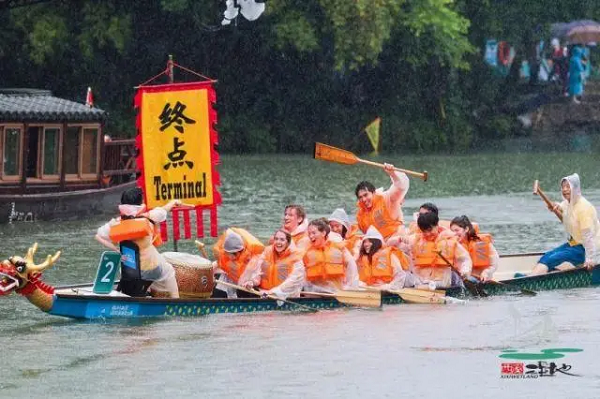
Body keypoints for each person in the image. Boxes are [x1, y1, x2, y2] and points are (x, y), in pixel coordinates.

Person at [95, 187, 184, 298]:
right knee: (169, 270)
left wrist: (117, 251)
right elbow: (164, 209)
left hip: (128, 271)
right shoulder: (150, 217)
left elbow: (98, 236)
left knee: (147, 268)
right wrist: (174, 202)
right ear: (140, 202)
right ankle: (176, 301)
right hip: (151, 269)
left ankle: (146, 292)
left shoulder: (115, 223)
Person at [528, 174, 600, 276]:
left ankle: (529, 279)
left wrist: (590, 259)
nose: (564, 189)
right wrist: (555, 206)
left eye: (568, 187)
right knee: (547, 256)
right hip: (574, 244)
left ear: (575, 188)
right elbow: (562, 209)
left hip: (585, 249)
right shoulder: (568, 203)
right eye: (563, 187)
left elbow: (588, 237)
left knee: (552, 259)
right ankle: (531, 276)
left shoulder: (584, 208)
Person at [411, 212, 472, 289]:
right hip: (422, 280)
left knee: (454, 277)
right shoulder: (416, 240)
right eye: (424, 231)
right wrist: (395, 240)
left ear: (437, 225)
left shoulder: (449, 240)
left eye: (430, 230)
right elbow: (402, 244)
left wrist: (465, 271)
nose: (427, 234)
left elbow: (465, 259)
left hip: (442, 281)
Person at [239, 229, 305, 299]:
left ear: (288, 243)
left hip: (284, 295)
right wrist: (251, 282)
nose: (278, 242)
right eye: (276, 239)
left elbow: (292, 282)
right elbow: (258, 274)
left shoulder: (296, 258)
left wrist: (273, 292)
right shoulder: (267, 252)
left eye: (282, 240)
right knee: (242, 290)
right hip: (264, 293)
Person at [355, 163, 409, 242]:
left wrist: (393, 174)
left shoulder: (386, 198)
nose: (364, 200)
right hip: (378, 246)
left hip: (396, 240)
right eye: (360, 197)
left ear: (373, 193)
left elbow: (401, 187)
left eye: (366, 195)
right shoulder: (360, 215)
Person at [303, 218, 360, 293]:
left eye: (313, 233)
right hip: (314, 293)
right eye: (309, 233)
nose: (310, 236)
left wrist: (351, 288)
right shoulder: (306, 252)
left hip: (335, 292)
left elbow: (352, 267)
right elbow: (300, 273)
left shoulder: (339, 248)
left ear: (323, 233)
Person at [212, 228, 265, 298]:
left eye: (230, 254)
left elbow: (257, 278)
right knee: (217, 291)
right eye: (226, 253)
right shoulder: (226, 254)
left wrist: (251, 283)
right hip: (232, 279)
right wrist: (211, 273)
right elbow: (217, 264)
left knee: (243, 291)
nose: (228, 256)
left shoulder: (253, 259)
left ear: (238, 252)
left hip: (248, 285)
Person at [450, 215, 498, 282]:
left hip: (479, 279)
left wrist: (486, 272)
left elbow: (494, 264)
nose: (454, 234)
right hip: (462, 278)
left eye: (457, 230)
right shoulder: (454, 245)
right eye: (452, 231)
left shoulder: (481, 242)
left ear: (466, 229)